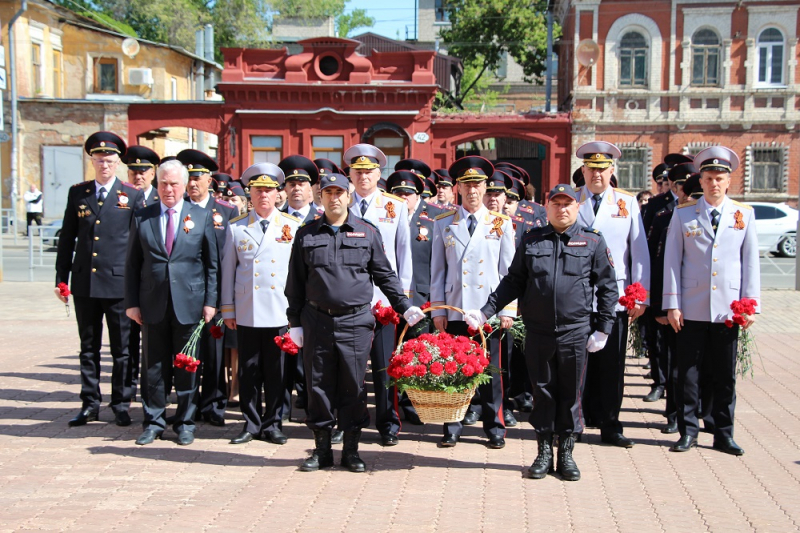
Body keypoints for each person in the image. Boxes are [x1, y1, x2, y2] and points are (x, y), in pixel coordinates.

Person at [465, 184, 617, 481]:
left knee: (570, 394)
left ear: (576, 207)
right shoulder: (532, 240)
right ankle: (544, 450)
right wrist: (485, 311)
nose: (562, 209)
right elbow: (513, 281)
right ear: (547, 208)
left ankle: (567, 453)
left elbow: (608, 287)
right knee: (543, 392)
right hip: (539, 331)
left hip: (575, 331)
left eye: (567, 204)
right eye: (556, 203)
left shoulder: (592, 241)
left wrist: (604, 328)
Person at [285, 172, 424, 472]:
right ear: (319, 197)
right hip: (316, 320)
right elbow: (295, 283)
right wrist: (294, 322)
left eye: (339, 193)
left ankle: (351, 450)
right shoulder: (306, 234)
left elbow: (385, 275)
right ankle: (322, 450)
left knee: (353, 386)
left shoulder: (367, 231)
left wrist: (404, 306)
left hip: (356, 321)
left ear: (348, 197)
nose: (334, 198)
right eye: (327, 193)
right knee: (318, 386)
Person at [663, 146, 760, 456]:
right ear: (700, 181)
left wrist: (750, 304)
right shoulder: (684, 213)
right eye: (708, 178)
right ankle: (688, 430)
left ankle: (723, 433)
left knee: (723, 375)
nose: (714, 183)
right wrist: (672, 304)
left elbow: (750, 264)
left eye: (720, 178)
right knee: (687, 373)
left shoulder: (743, 215)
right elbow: (671, 261)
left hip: (728, 310)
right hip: (690, 306)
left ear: (728, 181)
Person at [125, 158, 218, 446]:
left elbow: (211, 263)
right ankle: (153, 421)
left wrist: (210, 301)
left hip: (189, 302)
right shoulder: (143, 215)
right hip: (152, 302)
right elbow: (132, 264)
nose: (168, 189)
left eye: (174, 184)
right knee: (153, 366)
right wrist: (132, 303)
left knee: (187, 366)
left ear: (184, 185)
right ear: (157, 184)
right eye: (163, 183)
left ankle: (185, 422)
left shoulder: (200, 216)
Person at [55, 132, 143, 427]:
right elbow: (67, 238)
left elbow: (137, 246)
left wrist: (137, 287)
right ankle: (89, 403)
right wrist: (61, 278)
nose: (104, 164)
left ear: (118, 162)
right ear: (91, 160)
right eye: (99, 159)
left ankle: (120, 403)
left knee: (122, 350)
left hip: (118, 285)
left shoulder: (131, 195)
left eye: (109, 160)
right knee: (88, 347)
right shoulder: (78, 193)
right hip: (85, 283)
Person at [430, 156, 516, 449]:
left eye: (477, 184)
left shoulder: (501, 223)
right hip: (456, 305)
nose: (472, 191)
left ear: (486, 187)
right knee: (453, 368)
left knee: (492, 372)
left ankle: (495, 426)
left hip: (487, 309)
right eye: (466, 185)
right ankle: (452, 424)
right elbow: (437, 270)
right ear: (457, 188)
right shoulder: (443, 223)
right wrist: (438, 310)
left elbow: (508, 272)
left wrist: (507, 310)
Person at [220, 162, 301, 445]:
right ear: (250, 194)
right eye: (258, 190)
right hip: (248, 309)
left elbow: (298, 275)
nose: (263, 195)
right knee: (249, 370)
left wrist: (297, 313)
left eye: (268, 190)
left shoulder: (292, 226)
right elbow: (227, 271)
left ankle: (273, 423)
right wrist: (227, 308)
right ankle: (251, 423)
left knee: (277, 372)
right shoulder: (237, 227)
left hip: (280, 311)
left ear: (278, 194)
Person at [575, 141, 649, 449]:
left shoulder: (626, 204)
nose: (597, 175)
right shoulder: (569, 200)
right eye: (591, 169)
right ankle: (575, 421)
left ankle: (610, 424)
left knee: (611, 366)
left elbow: (639, 251)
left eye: (603, 169)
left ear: (611, 171)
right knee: (575, 366)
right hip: (575, 296)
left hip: (614, 298)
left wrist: (640, 294)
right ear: (583, 170)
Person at [345, 143, 413, 447]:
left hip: (384, 301)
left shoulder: (394, 206)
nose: (363, 176)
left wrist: (403, 300)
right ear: (350, 173)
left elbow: (403, 256)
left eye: (369, 171)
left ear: (378, 173)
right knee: (350, 368)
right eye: (358, 171)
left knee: (386, 367)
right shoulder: (339, 204)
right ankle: (350, 420)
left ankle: (388, 422)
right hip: (348, 302)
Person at [177, 149, 239, 428]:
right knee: (187, 352)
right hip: (183, 292)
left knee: (214, 354)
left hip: (216, 293)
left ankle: (213, 404)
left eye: (198, 177)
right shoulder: (177, 209)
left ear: (209, 179)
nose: (193, 183)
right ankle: (186, 404)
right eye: (188, 177)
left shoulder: (226, 211)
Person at [122, 145, 162, 400]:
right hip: (129, 280)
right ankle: (126, 394)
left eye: (144, 170)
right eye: (133, 171)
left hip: (157, 286)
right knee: (126, 344)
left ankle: (155, 392)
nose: (138, 175)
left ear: (153, 172)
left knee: (154, 347)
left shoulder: (165, 199)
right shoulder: (121, 198)